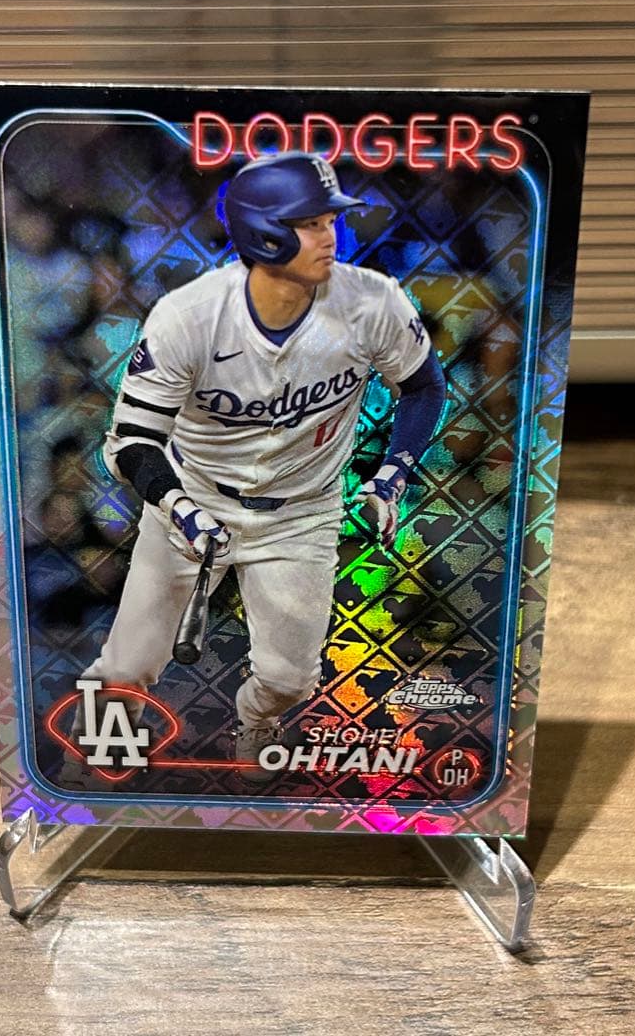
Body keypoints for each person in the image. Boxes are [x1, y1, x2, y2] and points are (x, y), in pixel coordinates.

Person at [67, 151, 446, 781]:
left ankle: (257, 721)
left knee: (289, 680)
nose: (330, 235)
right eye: (311, 224)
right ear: (265, 234)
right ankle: (83, 772)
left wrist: (393, 475)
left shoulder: (371, 301)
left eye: (329, 220)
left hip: (303, 512)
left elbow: (424, 386)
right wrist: (178, 508)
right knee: (128, 666)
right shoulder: (189, 317)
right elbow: (133, 440)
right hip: (193, 499)